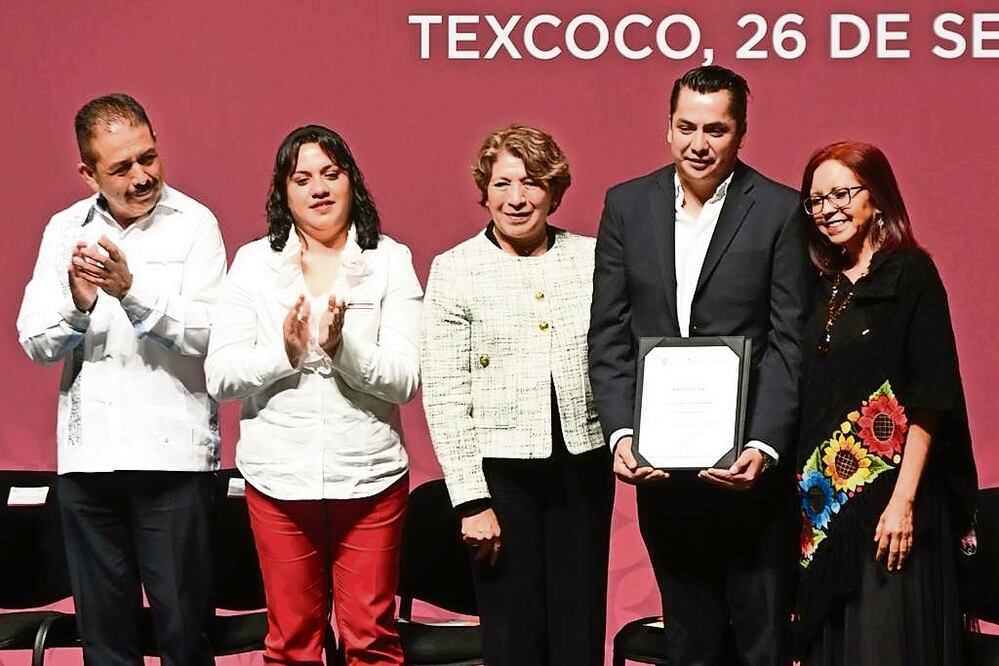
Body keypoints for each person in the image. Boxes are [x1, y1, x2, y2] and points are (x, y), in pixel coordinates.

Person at [587, 65, 813, 666]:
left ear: (741, 133)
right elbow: (608, 333)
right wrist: (622, 433)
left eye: (716, 129)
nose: (699, 144)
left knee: (762, 643)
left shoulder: (779, 210)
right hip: (663, 475)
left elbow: (789, 341)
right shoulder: (626, 205)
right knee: (689, 641)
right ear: (667, 128)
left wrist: (763, 444)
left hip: (750, 475)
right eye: (686, 127)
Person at [16, 93, 226, 665]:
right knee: (105, 647)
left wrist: (131, 292)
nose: (142, 176)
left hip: (174, 463)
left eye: (148, 157)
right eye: (121, 167)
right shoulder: (64, 229)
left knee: (184, 640)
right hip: (88, 463)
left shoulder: (195, 223)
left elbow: (211, 333)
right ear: (88, 174)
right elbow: (34, 341)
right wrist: (79, 305)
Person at [204, 124, 421, 665]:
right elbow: (221, 377)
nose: (319, 189)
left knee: (371, 639)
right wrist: (285, 352)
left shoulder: (389, 259)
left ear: (352, 182)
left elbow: (404, 379)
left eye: (331, 174)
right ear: (284, 191)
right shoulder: (253, 263)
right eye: (302, 179)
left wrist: (342, 348)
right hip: (277, 480)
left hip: (370, 477)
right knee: (292, 644)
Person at [421, 125, 613, 666]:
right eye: (503, 183)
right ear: (485, 191)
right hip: (501, 481)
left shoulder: (593, 259)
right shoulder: (455, 269)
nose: (517, 198)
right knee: (513, 638)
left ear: (554, 192)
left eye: (532, 183)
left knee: (579, 634)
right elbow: (445, 392)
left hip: (583, 469)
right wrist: (471, 501)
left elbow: (618, 358)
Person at [794, 141, 977, 665]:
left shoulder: (911, 274)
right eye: (816, 200)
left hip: (894, 509)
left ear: (876, 198)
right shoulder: (816, 287)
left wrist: (904, 502)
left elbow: (932, 396)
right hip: (825, 516)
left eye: (841, 194)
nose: (827, 209)